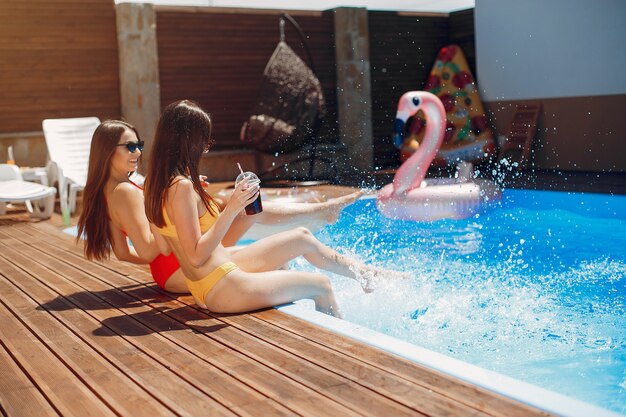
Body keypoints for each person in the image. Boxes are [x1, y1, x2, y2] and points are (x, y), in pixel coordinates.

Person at [144, 100, 390, 318]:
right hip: (221, 286)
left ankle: (365, 275)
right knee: (322, 286)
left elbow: (166, 246)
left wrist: (199, 202)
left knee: (300, 236)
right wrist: (232, 208)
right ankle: (343, 355)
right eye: (204, 142)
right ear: (189, 142)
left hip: (214, 279)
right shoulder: (181, 188)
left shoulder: (155, 186)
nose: (206, 149)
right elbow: (196, 256)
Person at [77, 119, 363, 298]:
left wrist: (177, 211)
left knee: (248, 212)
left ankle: (322, 215)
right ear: (107, 151)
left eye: (138, 145)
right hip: (180, 268)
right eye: (129, 147)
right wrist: (168, 215)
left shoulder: (105, 192)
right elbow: (154, 249)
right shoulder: (126, 192)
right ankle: (323, 215)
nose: (137, 152)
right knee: (248, 211)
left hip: (171, 271)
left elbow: (124, 253)